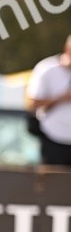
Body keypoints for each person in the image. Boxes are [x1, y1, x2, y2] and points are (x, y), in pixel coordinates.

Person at [26, 34, 71, 167]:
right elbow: (32, 103)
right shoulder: (46, 68)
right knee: (53, 179)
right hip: (53, 138)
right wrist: (62, 98)